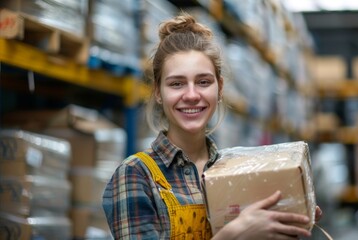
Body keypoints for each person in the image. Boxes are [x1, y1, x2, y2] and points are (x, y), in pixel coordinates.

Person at [102, 12, 322, 239]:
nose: (191, 95)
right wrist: (234, 235)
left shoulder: (238, 172)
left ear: (220, 88)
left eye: (203, 82)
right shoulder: (136, 175)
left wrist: (290, 219)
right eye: (177, 84)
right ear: (158, 92)